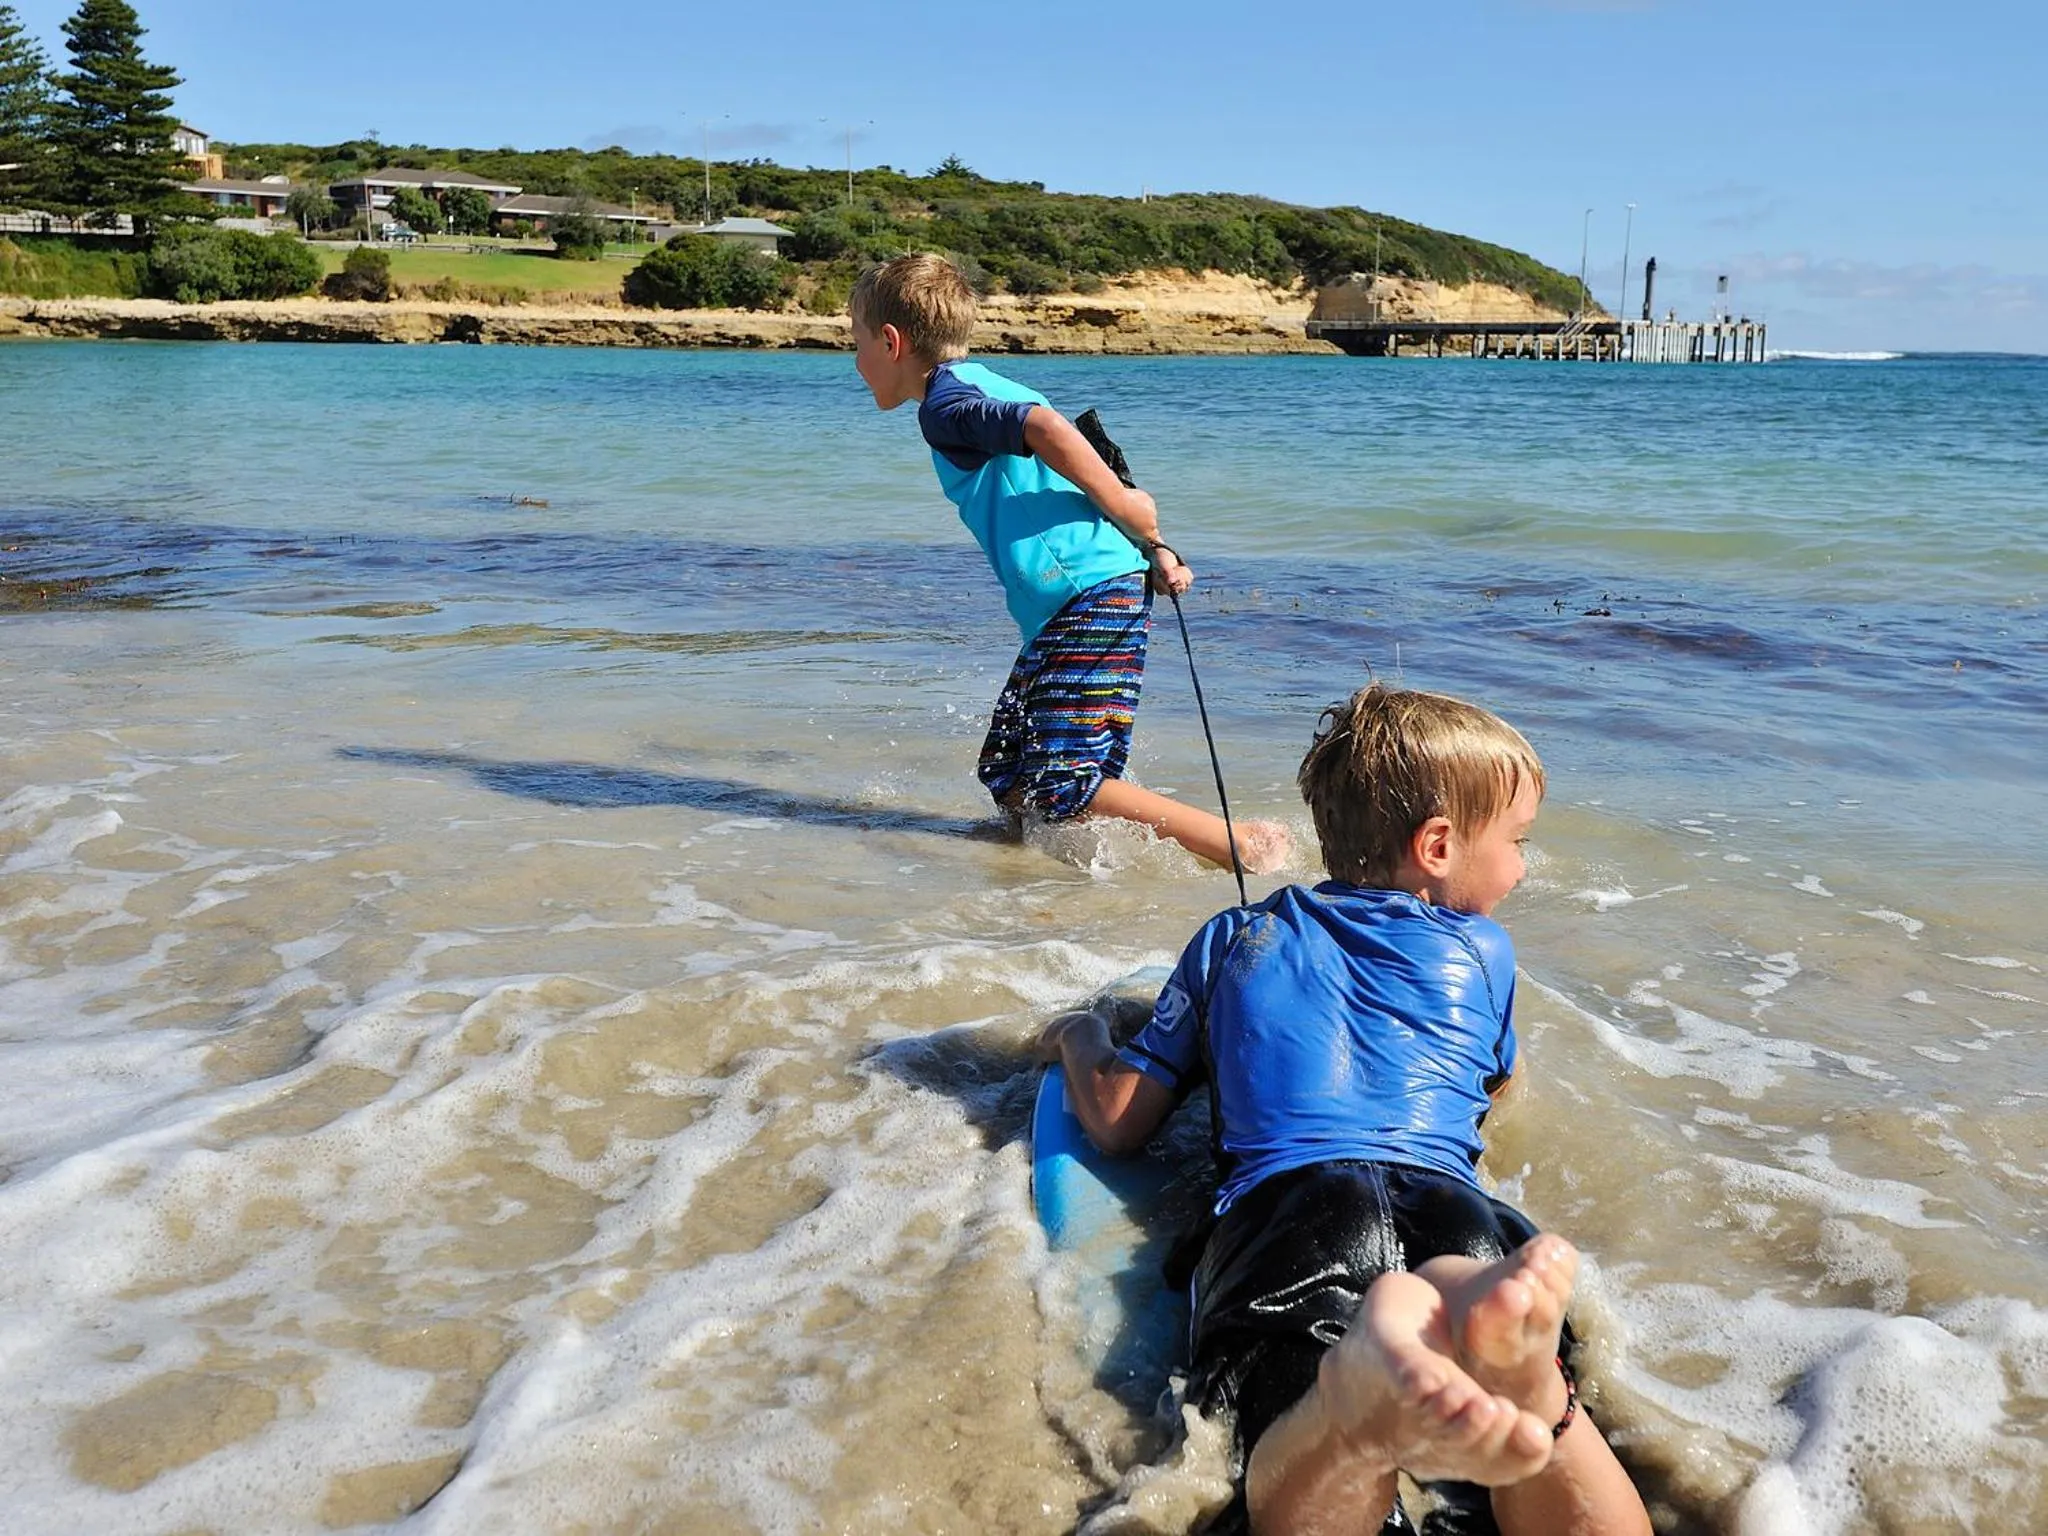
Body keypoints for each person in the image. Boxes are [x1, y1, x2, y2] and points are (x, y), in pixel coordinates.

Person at [1038, 684, 1651, 1536]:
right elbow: (1493, 1086)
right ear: (1437, 846)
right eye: (1517, 843)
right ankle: (1522, 1371)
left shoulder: (1233, 937)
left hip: (1294, 1218)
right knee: (1517, 1459)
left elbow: (1118, 1120)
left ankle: (1350, 1407)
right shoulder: (1486, 951)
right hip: (1457, 1208)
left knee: (1297, 1494)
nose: (1521, 866)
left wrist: (1080, 1036)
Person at [849, 253, 1289, 873]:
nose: (856, 359)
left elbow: (1048, 430)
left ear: (891, 342)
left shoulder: (944, 406)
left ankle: (1234, 843)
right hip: (1097, 590)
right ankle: (1045, 881)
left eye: (857, 342)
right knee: (1007, 767)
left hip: (1082, 595)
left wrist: (1125, 510)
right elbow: (1087, 459)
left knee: (1063, 780)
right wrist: (1153, 545)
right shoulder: (991, 385)